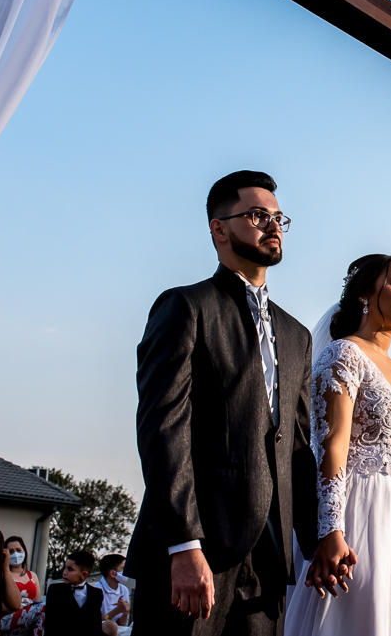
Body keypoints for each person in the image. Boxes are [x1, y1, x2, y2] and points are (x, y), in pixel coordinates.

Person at [127, 170, 318, 636]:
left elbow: (296, 444)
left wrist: (320, 537)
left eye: (278, 217)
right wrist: (183, 545)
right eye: (256, 215)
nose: (272, 225)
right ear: (218, 227)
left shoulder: (297, 335)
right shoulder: (184, 307)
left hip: (270, 558)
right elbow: (162, 427)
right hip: (196, 551)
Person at [284, 254, 391, 636]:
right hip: (359, 508)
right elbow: (331, 445)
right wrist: (330, 530)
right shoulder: (343, 353)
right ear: (365, 291)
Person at [42, 552, 113, 636]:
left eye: (70, 569)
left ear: (84, 575)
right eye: (65, 568)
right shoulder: (55, 590)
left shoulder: (96, 594)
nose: (64, 572)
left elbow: (96, 625)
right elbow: (50, 625)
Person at [0, 536, 40, 635]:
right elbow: (0, 606)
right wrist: (24, 608)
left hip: (32, 617)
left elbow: (38, 603)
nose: (15, 554)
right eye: (11, 551)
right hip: (8, 618)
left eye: (18, 550)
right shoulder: (2, 575)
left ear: (24, 551)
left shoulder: (33, 576)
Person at [96, 555, 130, 628]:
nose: (126, 571)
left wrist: (125, 612)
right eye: (123, 568)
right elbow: (95, 621)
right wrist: (117, 610)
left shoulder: (124, 590)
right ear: (112, 573)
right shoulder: (96, 589)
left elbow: (122, 624)